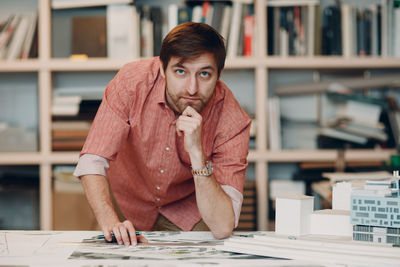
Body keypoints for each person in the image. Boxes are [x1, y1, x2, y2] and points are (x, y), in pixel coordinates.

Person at [74, 22, 251, 246]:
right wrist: (110, 221)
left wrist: (197, 153)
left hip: (188, 208)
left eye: (204, 74)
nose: (192, 89)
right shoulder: (131, 83)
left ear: (219, 74)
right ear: (162, 68)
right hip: (125, 198)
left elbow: (223, 225)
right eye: (180, 71)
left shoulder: (233, 121)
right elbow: (92, 159)